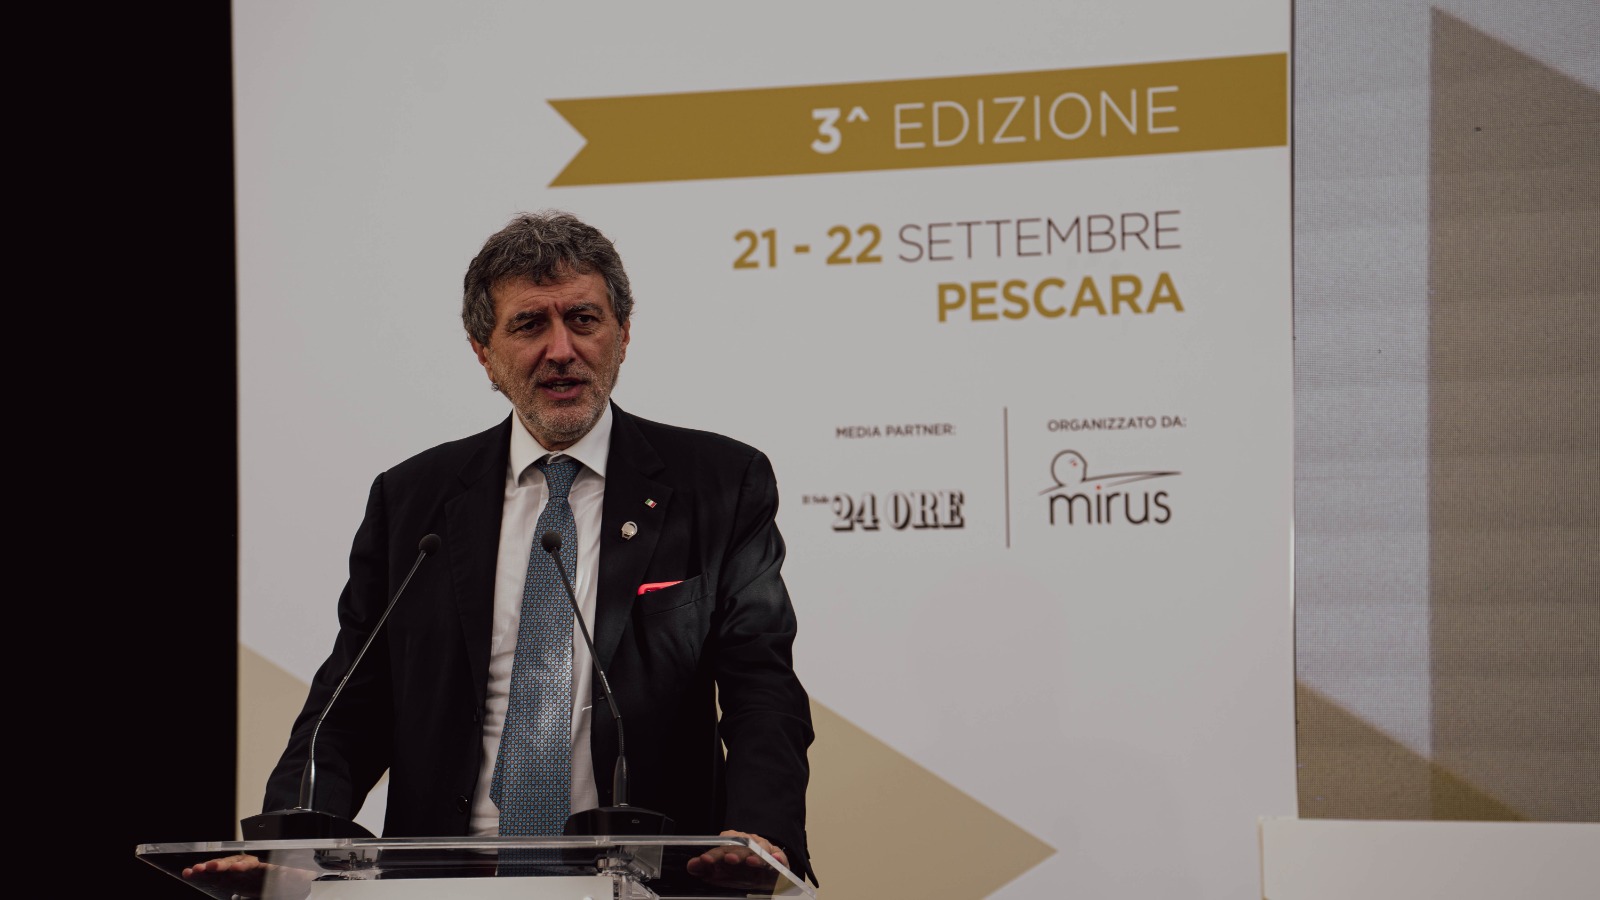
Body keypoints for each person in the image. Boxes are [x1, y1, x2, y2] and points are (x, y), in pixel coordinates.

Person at [242, 210, 815, 885]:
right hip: (446, 883)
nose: (561, 349)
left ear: (623, 334)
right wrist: (287, 847)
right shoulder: (413, 500)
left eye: (584, 319)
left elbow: (760, 682)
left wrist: (758, 828)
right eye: (529, 325)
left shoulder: (718, 485)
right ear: (482, 351)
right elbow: (348, 703)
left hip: (642, 878)